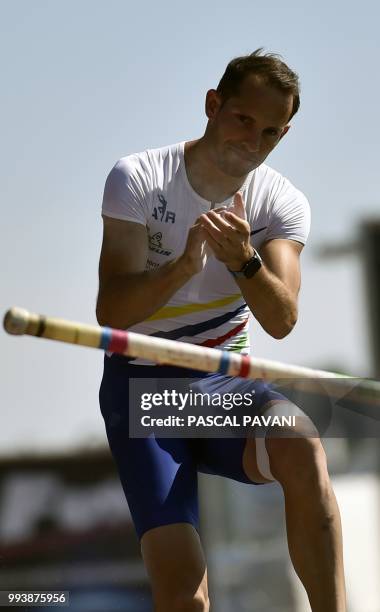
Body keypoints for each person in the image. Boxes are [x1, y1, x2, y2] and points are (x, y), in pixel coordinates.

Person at [96, 49, 346, 612]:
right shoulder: (138, 177)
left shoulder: (281, 202)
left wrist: (244, 261)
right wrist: (183, 268)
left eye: (271, 132)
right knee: (186, 597)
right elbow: (111, 312)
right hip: (146, 395)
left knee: (303, 445)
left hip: (224, 386)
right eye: (243, 120)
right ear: (213, 105)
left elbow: (281, 319)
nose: (253, 141)